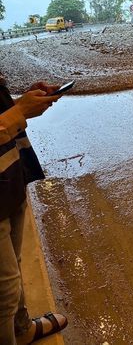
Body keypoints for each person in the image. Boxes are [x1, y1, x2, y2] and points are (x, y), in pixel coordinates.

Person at [0, 73, 68, 344]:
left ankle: (21, 329)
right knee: (3, 292)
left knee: (11, 271)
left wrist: (23, 103)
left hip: (9, 175)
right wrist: (18, 112)